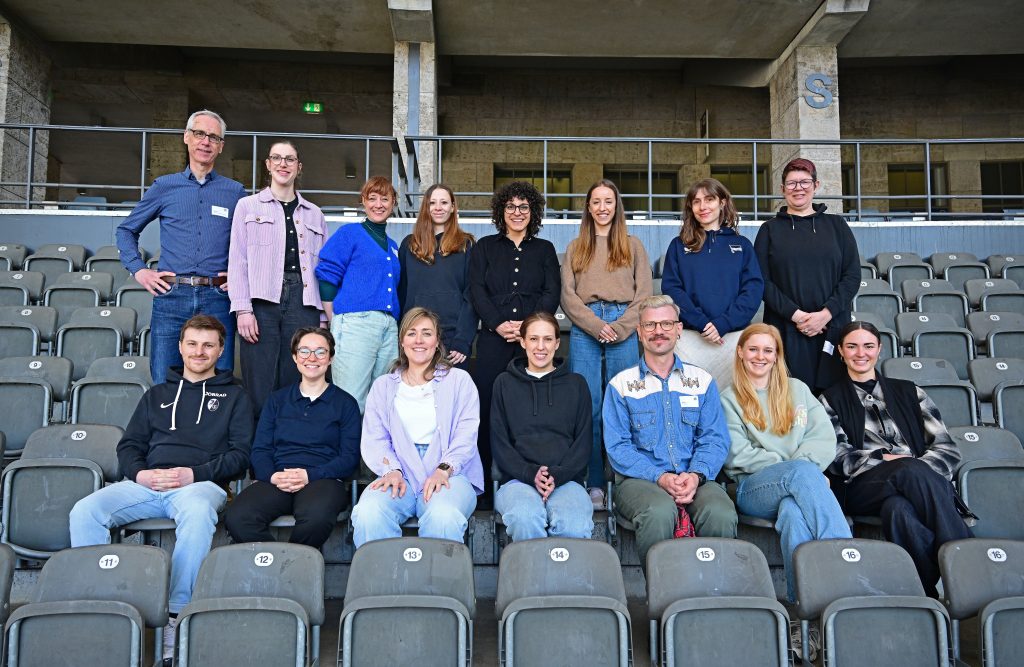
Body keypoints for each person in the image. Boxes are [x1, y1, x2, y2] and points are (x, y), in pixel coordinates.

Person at [69, 315, 253, 666]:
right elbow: (129, 446)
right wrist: (140, 474)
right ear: (180, 347)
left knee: (199, 513)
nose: (200, 352)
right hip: (147, 483)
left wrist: (193, 474)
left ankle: (175, 616)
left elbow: (240, 456)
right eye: (193, 344)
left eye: (208, 345)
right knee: (86, 510)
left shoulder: (235, 397)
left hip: (200, 485)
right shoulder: (157, 394)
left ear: (221, 350)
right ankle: (102, 608)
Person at [722, 323, 851, 661]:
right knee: (801, 477)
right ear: (740, 352)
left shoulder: (797, 390)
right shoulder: (729, 398)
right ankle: (846, 573)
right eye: (753, 349)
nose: (760, 356)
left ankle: (803, 614)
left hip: (797, 487)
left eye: (768, 350)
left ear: (777, 355)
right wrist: (798, 469)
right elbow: (737, 454)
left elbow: (823, 438)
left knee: (794, 514)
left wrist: (801, 471)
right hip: (753, 487)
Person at [820, 321, 972, 598]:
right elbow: (837, 457)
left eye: (868, 346)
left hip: (911, 483)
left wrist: (916, 470)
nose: (860, 353)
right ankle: (967, 564)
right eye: (852, 346)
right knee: (906, 468)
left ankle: (924, 594)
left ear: (879, 349)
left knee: (898, 510)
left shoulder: (910, 392)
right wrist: (889, 460)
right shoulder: (829, 399)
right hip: (860, 487)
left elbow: (947, 449)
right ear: (841, 351)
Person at [603, 294, 737, 570]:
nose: (658, 332)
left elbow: (714, 438)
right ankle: (664, 601)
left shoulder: (701, 381)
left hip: (694, 476)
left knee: (720, 512)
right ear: (639, 333)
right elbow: (618, 448)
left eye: (666, 324)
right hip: (640, 481)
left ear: (678, 330)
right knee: (659, 512)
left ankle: (714, 597)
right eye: (650, 326)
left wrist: (696, 474)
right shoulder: (621, 385)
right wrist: (659, 477)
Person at [116, 109, 246, 384]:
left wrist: (241, 277)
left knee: (219, 382)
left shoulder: (235, 192)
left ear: (221, 146)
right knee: (165, 380)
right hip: (171, 296)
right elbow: (126, 230)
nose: (205, 141)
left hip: (218, 298)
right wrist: (139, 270)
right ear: (186, 138)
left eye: (213, 137)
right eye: (199, 134)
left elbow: (250, 244)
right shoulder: (164, 187)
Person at [351, 307, 483, 546]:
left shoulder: (459, 381)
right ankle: (381, 584)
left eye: (426, 333)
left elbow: (466, 434)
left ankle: (437, 584)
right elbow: (375, 439)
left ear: (437, 341)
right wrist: (391, 470)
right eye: (411, 333)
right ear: (401, 341)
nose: (419, 340)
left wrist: (444, 469)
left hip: (452, 473)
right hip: (398, 471)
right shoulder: (383, 386)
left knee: (443, 516)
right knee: (369, 513)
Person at [224, 327, 360, 549]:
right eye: (304, 351)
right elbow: (260, 450)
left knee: (316, 519)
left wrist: (310, 475)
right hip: (278, 478)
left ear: (331, 358)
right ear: (295, 357)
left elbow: (349, 457)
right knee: (239, 517)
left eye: (320, 352)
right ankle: (279, 564)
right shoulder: (277, 400)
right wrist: (273, 476)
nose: (312, 358)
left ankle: (295, 568)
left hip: (322, 480)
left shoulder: (345, 404)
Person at [560, 179, 652, 509]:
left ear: (616, 206)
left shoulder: (633, 245)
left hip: (623, 325)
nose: (602, 207)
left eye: (608, 201)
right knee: (590, 406)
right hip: (587, 326)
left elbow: (644, 295)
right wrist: (597, 326)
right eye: (596, 201)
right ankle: (595, 483)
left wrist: (621, 327)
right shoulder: (576, 247)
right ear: (588, 207)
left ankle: (627, 482)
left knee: (624, 404)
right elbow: (568, 297)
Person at [469, 181, 560, 505]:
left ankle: (522, 481)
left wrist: (528, 327)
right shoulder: (484, 247)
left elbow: (552, 292)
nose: (517, 212)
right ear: (501, 211)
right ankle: (481, 489)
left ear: (533, 212)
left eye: (524, 207)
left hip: (532, 343)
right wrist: (498, 323)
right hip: (493, 341)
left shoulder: (545, 249)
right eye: (511, 206)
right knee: (486, 409)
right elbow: (476, 290)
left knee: (525, 412)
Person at [228, 141, 327, 412]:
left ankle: (290, 445)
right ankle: (260, 449)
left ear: (299, 167)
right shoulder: (247, 207)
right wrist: (242, 309)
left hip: (302, 301)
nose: (283, 164)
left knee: (296, 376)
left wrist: (321, 316)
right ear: (268, 165)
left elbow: (322, 269)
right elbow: (237, 261)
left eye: (290, 159)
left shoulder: (315, 214)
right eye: (277, 158)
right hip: (262, 301)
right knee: (259, 380)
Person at [754, 158, 860, 392]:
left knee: (834, 400)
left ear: (816, 185)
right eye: (791, 183)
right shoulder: (769, 230)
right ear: (782, 189)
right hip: (787, 330)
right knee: (791, 401)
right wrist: (798, 316)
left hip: (832, 327)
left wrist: (825, 314)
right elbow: (761, 281)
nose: (798, 188)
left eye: (804, 182)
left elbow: (852, 275)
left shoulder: (837, 226)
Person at [491, 312, 594, 541]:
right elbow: (500, 442)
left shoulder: (576, 385)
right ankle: (532, 578)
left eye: (547, 339)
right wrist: (530, 473)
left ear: (557, 343)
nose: (541, 347)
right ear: (523, 342)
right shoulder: (504, 384)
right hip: (517, 480)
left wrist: (557, 475)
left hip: (566, 480)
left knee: (575, 523)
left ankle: (566, 579)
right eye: (534, 339)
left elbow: (583, 443)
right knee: (525, 518)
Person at [661, 177, 763, 390]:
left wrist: (723, 324)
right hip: (690, 339)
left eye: (709, 199)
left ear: (722, 202)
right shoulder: (679, 246)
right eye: (696, 201)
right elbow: (672, 289)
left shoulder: (741, 245)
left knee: (731, 405)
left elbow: (752, 290)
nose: (703, 206)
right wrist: (702, 323)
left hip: (732, 339)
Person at [315, 176, 401, 412]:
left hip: (388, 326)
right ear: (363, 201)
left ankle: (371, 450)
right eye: (372, 198)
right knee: (352, 400)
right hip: (355, 323)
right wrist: (336, 319)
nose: (378, 204)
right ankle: (347, 450)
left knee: (382, 401)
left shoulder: (393, 245)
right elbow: (327, 274)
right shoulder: (349, 233)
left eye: (385, 199)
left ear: (393, 203)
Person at [397, 183, 476, 369]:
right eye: (432, 203)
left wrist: (463, 340)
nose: (438, 208)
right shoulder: (409, 245)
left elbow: (471, 295)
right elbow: (401, 293)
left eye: (444, 202)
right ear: (426, 207)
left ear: (453, 207)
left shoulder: (467, 245)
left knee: (450, 396)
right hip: (416, 337)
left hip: (452, 339)